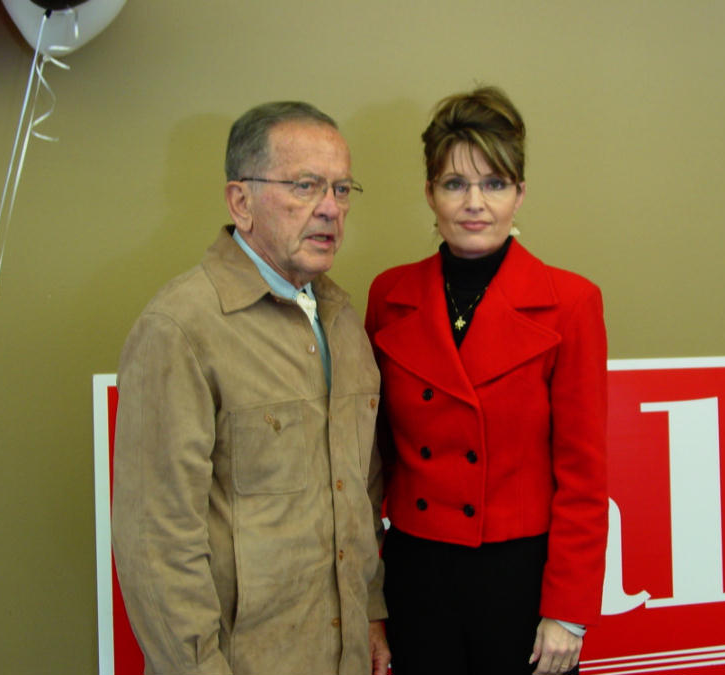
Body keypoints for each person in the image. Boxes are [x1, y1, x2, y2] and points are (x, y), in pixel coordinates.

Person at [112, 101, 390, 675]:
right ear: (241, 202)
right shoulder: (181, 328)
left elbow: (361, 493)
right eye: (306, 185)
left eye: (341, 189)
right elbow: (157, 544)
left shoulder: (341, 318)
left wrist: (371, 611)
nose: (329, 210)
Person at [365, 87, 608, 675]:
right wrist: (369, 597)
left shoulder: (571, 302)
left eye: (494, 184)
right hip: (418, 574)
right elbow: (372, 466)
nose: (475, 203)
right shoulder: (388, 296)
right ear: (430, 194)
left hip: (519, 579)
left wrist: (567, 611)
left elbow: (583, 472)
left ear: (519, 194)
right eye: (454, 184)